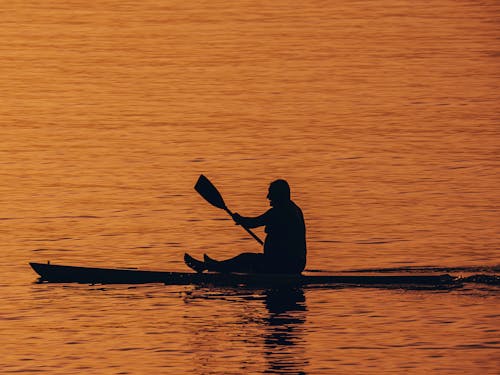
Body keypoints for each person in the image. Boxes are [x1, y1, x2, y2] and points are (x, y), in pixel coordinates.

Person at [184, 179, 306, 274]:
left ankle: (209, 267)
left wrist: (240, 219)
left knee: (245, 258)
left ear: (279, 194)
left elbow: (253, 223)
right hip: (291, 263)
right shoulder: (294, 209)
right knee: (246, 259)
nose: (267, 197)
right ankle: (215, 266)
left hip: (285, 265)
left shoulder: (281, 211)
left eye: (271, 193)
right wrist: (241, 220)